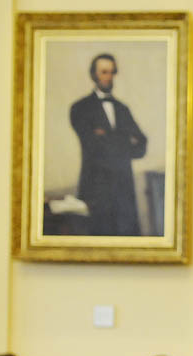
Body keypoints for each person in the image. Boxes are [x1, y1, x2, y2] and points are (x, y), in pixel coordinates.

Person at [69, 53, 147, 237]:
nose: (108, 77)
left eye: (112, 72)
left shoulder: (122, 108)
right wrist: (123, 142)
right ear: (94, 75)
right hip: (96, 186)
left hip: (124, 186)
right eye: (104, 72)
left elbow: (142, 142)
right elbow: (92, 145)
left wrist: (108, 139)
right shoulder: (80, 108)